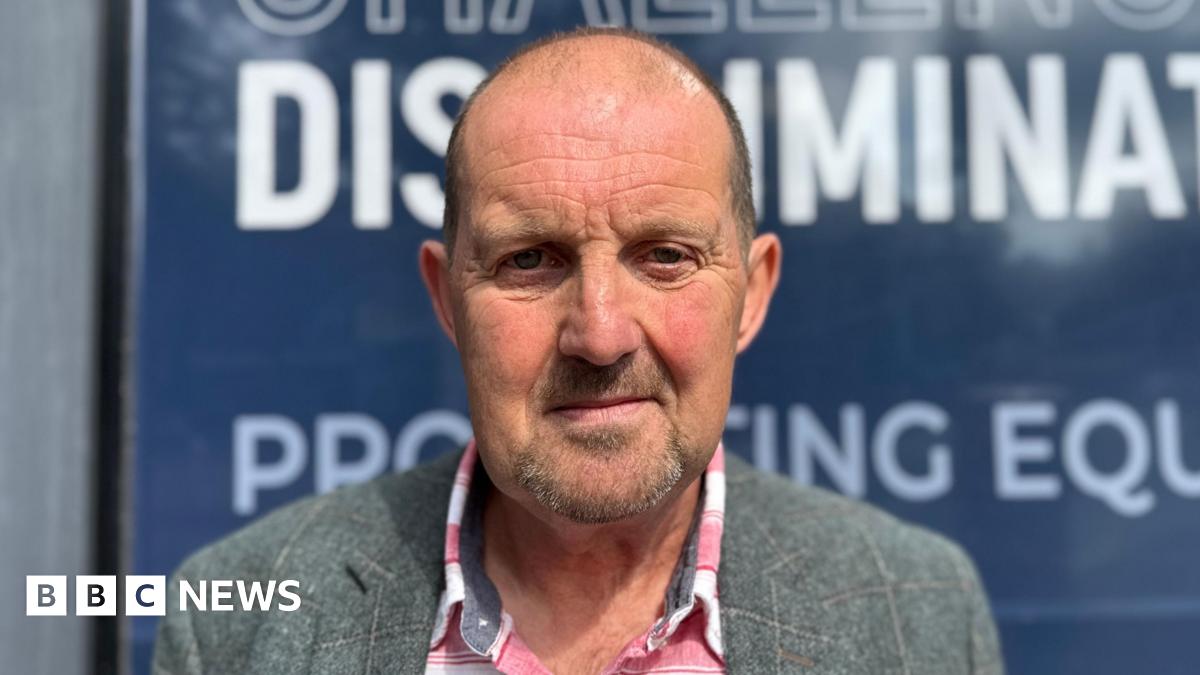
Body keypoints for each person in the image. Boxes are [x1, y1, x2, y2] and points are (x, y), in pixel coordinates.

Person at [154, 27, 1003, 674]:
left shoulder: (921, 611)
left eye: (665, 256)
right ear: (447, 299)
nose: (599, 332)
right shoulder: (238, 621)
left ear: (754, 293)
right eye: (530, 260)